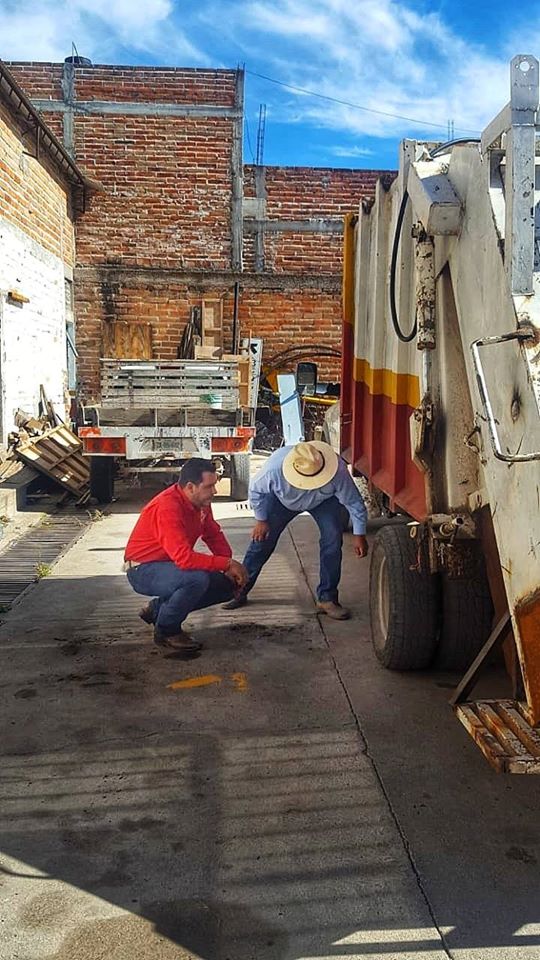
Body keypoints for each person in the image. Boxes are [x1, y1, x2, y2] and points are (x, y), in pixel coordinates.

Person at [224, 440, 368, 620]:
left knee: (333, 539)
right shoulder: (273, 471)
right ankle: (239, 590)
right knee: (261, 542)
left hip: (322, 502)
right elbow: (255, 491)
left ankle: (327, 598)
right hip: (281, 502)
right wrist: (261, 520)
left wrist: (359, 533)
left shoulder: (337, 470)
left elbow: (353, 502)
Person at [124, 458, 248, 655]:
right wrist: (226, 563)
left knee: (228, 585)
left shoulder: (201, 502)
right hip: (143, 569)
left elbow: (213, 534)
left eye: (215, 484)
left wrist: (227, 568)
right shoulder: (167, 507)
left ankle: (157, 610)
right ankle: (166, 631)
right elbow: (184, 559)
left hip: (169, 567)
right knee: (195, 580)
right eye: (209, 486)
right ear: (190, 487)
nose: (214, 491)